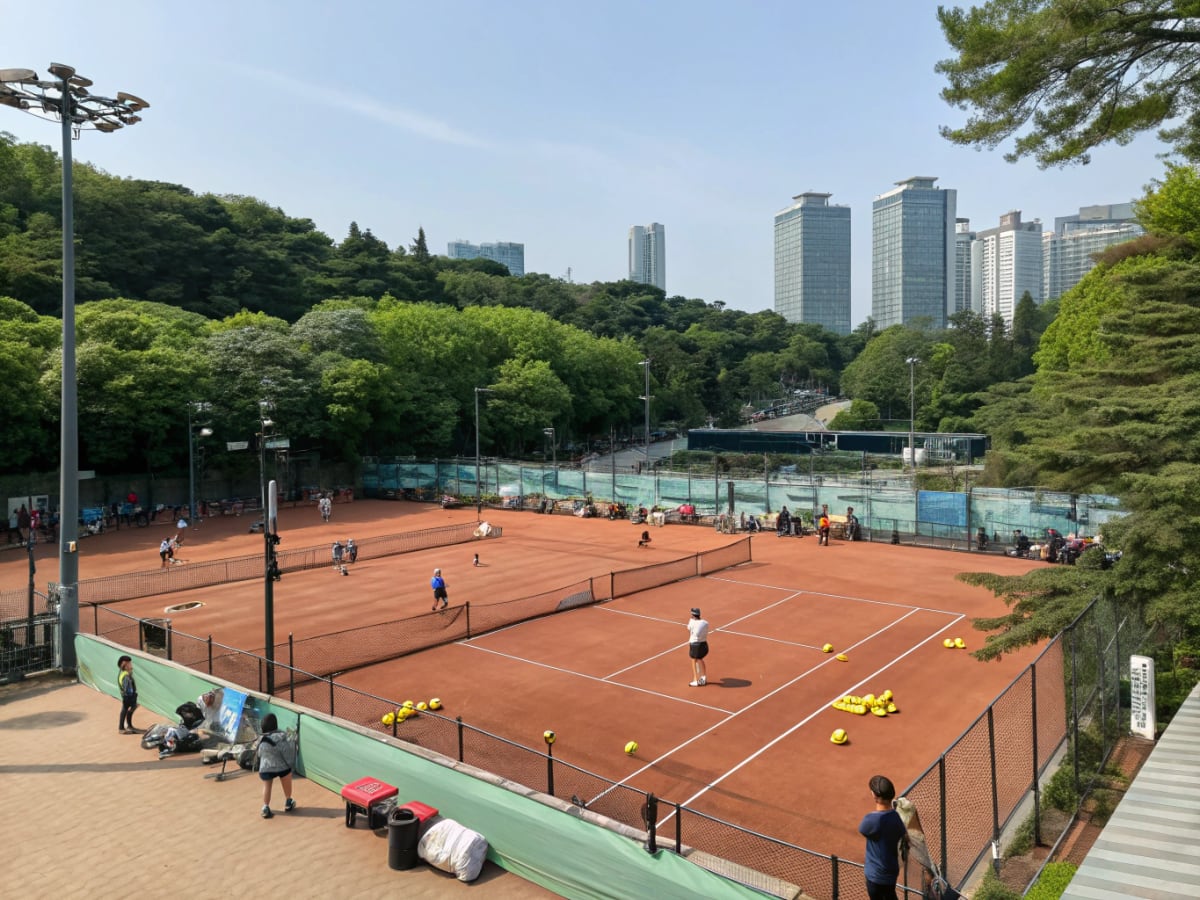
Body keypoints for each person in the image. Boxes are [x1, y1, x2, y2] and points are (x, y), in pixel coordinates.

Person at [859, 774, 906, 900]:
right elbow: (902, 832)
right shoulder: (895, 817)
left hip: (875, 875)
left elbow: (862, 829)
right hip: (891, 872)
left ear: (874, 795)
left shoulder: (872, 820)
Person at [256, 713, 296, 819]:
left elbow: (259, 754)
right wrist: (290, 764)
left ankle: (265, 807)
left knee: (267, 786)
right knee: (286, 777)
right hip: (282, 767)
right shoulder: (281, 736)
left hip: (266, 768)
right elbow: (286, 752)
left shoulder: (260, 739)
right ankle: (288, 801)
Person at [687, 607, 709, 687]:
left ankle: (696, 680)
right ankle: (703, 677)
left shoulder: (692, 622)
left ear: (693, 615)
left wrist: (691, 621)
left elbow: (689, 629)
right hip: (704, 645)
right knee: (700, 659)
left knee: (693, 660)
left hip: (695, 645)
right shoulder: (705, 623)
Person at [117, 655, 139, 734]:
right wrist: (133, 697)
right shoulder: (126, 676)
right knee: (128, 709)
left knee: (125, 710)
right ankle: (125, 727)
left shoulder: (123, 673)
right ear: (125, 666)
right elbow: (128, 690)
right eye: (129, 664)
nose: (131, 665)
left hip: (126, 697)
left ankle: (124, 727)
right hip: (128, 697)